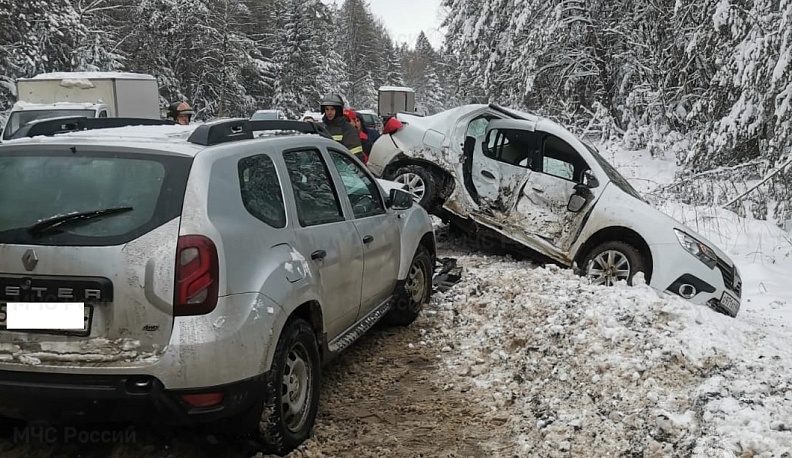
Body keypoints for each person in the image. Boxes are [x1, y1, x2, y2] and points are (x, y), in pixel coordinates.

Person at [319, 94, 364, 161]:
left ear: (338, 110)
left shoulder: (348, 129)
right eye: (327, 109)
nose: (329, 112)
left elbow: (356, 156)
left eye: (332, 109)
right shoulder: (322, 127)